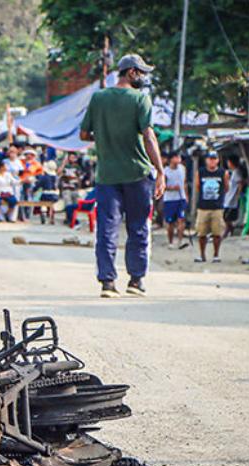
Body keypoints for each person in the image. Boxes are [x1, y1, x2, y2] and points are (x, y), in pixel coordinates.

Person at [79, 53, 165, 297]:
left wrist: (106, 137)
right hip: (137, 173)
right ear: (132, 72)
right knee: (138, 227)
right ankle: (135, 280)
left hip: (107, 176)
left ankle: (107, 282)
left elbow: (84, 135)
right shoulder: (140, 99)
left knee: (106, 228)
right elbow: (148, 136)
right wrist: (160, 170)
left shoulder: (98, 98)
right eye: (142, 73)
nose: (143, 77)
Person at [194, 151, 229, 263]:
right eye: (210, 159)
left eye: (214, 159)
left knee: (217, 233)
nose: (212, 161)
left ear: (218, 160)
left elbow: (226, 187)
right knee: (201, 233)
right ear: (206, 160)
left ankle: (216, 255)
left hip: (217, 207)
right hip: (203, 206)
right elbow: (198, 187)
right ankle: (202, 254)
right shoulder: (201, 172)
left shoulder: (223, 172)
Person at [163, 151, 188, 249]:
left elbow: (184, 182)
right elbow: (163, 186)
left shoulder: (182, 169)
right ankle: (170, 241)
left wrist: (186, 196)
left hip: (181, 198)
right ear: (171, 159)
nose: (178, 159)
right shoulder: (166, 171)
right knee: (170, 222)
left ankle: (180, 240)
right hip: (169, 199)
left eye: (179, 157)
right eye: (176, 157)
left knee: (181, 219)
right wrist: (172, 188)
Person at [222, 156, 245, 238]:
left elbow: (240, 184)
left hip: (232, 198)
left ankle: (228, 231)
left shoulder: (237, 172)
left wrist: (238, 195)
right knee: (226, 216)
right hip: (228, 197)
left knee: (227, 217)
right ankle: (230, 230)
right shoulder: (231, 172)